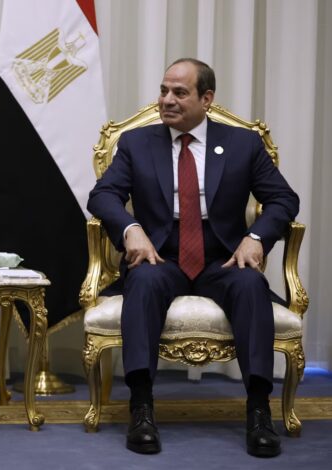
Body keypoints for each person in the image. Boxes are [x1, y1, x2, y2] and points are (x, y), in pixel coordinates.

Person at [87, 58, 299, 458]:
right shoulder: (136, 143)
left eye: (179, 93)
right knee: (143, 280)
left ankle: (259, 411)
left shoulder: (242, 144)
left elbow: (283, 199)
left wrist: (255, 238)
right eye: (164, 90)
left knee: (251, 284)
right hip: (160, 254)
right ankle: (141, 408)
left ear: (206, 98)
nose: (167, 100)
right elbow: (103, 195)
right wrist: (131, 229)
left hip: (223, 257)